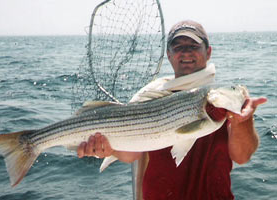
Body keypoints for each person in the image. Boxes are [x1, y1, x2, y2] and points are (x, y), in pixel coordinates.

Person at [77, 20, 267, 199]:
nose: (186, 53)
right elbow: (132, 154)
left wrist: (243, 121)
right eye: (178, 47)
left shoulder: (223, 97)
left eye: (193, 47)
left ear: (208, 52)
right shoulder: (147, 96)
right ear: (169, 55)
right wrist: (108, 149)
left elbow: (242, 156)